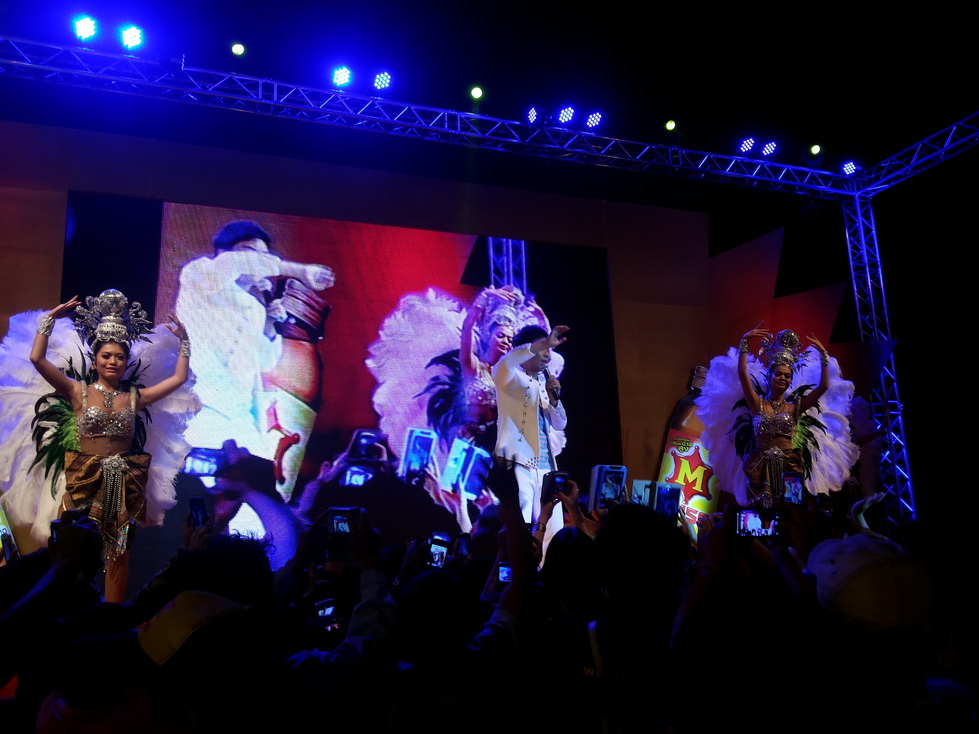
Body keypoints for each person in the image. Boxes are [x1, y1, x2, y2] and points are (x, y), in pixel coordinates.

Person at [27, 288, 192, 602]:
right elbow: (37, 359)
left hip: (121, 484)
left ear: (126, 361)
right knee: (70, 550)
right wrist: (48, 321)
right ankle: (65, 612)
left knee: (118, 554)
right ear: (95, 361)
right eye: (106, 356)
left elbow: (178, 379)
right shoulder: (77, 392)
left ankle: (111, 614)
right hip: (82, 481)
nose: (113, 361)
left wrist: (184, 343)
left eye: (119, 356)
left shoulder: (135, 398)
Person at [175, 219, 335, 502]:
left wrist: (271, 322)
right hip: (200, 410)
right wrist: (300, 271)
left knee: (255, 502)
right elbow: (236, 264)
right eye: (250, 253)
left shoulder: (254, 306)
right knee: (198, 500)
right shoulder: (199, 275)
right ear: (223, 253)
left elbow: (265, 362)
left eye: (263, 256)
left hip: (240, 417)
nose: (258, 262)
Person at [698, 323, 858, 508]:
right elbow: (742, 373)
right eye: (779, 374)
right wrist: (744, 342)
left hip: (790, 467)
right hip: (759, 467)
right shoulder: (757, 404)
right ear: (770, 376)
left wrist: (823, 356)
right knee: (758, 512)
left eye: (787, 376)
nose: (783, 378)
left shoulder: (795, 408)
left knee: (791, 511)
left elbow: (823, 387)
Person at [493, 323, 569, 543]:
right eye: (543, 348)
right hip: (519, 465)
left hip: (546, 468)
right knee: (522, 530)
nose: (548, 354)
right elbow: (508, 360)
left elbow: (561, 424)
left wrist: (554, 400)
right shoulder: (507, 376)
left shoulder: (544, 383)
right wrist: (544, 342)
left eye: (550, 350)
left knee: (554, 533)